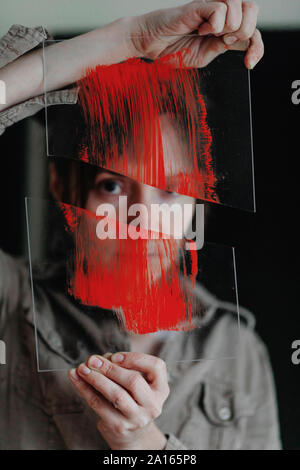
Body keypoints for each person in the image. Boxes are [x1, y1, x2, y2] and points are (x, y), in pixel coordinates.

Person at [0, 1, 281, 450]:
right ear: (65, 189)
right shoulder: (10, 308)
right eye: (112, 186)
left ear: (199, 199)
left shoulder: (238, 350)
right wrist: (123, 41)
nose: (142, 220)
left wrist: (145, 444)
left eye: (171, 190)